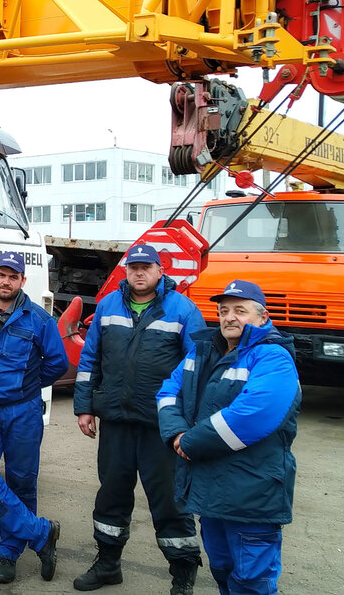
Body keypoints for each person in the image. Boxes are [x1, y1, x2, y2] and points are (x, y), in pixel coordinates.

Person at [72, 244, 205, 594]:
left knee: (169, 500)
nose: (139, 273)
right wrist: (85, 406)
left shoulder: (182, 309)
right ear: (126, 271)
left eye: (147, 267)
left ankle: (182, 574)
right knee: (112, 495)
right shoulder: (107, 306)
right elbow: (90, 361)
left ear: (160, 271)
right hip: (116, 420)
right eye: (134, 267)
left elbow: (196, 370)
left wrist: (186, 421)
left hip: (161, 426)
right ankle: (107, 565)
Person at [157, 280, 301, 594]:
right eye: (223, 311)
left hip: (251, 496)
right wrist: (176, 433)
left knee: (251, 581)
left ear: (262, 317)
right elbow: (169, 392)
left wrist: (189, 442)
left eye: (240, 310)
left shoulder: (273, 358)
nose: (229, 317)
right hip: (211, 495)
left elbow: (252, 415)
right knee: (222, 571)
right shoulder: (202, 350)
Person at [0, 251, 65, 584]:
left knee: (21, 481)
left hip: (23, 411)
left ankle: (7, 553)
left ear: (22, 280)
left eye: (13, 276)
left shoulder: (38, 319)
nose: (6, 281)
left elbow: (57, 363)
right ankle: (40, 532)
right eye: (2, 275)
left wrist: (27, 384)